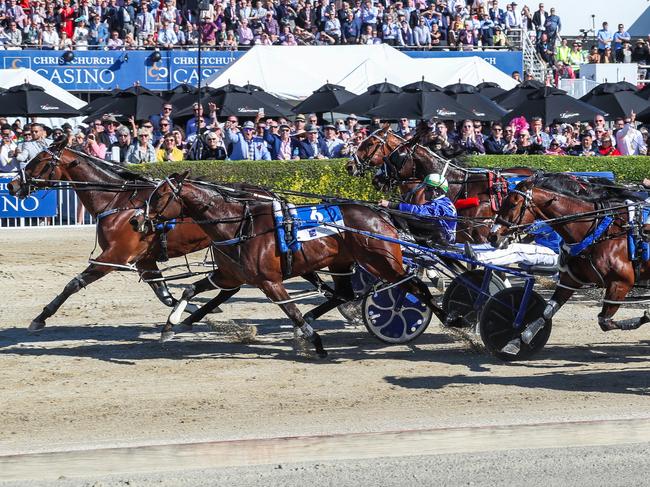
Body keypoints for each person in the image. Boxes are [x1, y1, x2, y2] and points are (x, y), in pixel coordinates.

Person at [378, 173, 457, 245]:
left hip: (441, 242)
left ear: (437, 191)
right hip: (432, 237)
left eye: (427, 188)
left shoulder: (443, 206)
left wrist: (391, 204)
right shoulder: (439, 203)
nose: (424, 191)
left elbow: (419, 212)